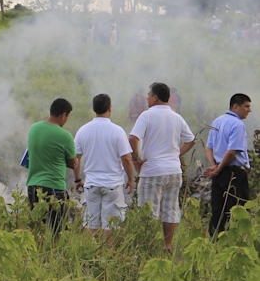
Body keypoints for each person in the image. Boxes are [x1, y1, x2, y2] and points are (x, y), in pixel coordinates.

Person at [129, 82, 196, 254]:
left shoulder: (146, 116)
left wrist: (135, 159)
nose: (146, 98)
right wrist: (176, 154)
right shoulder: (176, 117)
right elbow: (191, 140)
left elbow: (133, 138)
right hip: (174, 171)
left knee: (148, 210)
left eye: (149, 95)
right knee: (170, 209)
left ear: (155, 97)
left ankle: (148, 246)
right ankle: (167, 246)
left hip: (152, 171)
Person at [74, 94, 135, 237]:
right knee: (111, 224)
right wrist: (131, 180)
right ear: (109, 108)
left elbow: (75, 158)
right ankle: (108, 257)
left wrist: (77, 179)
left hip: (92, 184)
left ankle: (89, 255)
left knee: (91, 223)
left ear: (94, 108)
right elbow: (126, 158)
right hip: (112, 184)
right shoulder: (117, 131)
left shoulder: (83, 130)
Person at [26, 98, 78, 236]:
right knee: (57, 231)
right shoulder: (65, 136)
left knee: (36, 229)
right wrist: (74, 162)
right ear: (63, 115)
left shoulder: (34, 128)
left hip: (33, 186)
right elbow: (72, 163)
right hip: (54, 188)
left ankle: (34, 255)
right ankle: (53, 256)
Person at [203, 93, 252, 238]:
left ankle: (214, 243)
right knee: (237, 211)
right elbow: (231, 152)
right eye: (246, 106)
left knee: (218, 211)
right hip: (234, 174)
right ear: (235, 106)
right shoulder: (238, 125)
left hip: (219, 173)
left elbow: (208, 148)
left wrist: (215, 167)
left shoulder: (217, 121)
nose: (249, 110)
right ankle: (235, 244)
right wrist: (217, 168)